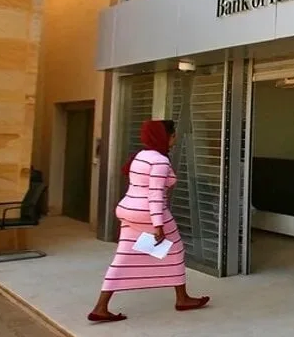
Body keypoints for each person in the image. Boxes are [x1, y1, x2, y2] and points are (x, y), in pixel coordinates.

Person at [88, 120, 210, 322]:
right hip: (148, 213)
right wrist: (158, 225)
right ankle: (182, 299)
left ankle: (101, 307)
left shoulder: (141, 155)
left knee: (124, 256)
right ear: (164, 137)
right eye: (173, 135)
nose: (175, 139)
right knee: (175, 251)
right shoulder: (159, 161)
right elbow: (155, 193)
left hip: (128, 210)